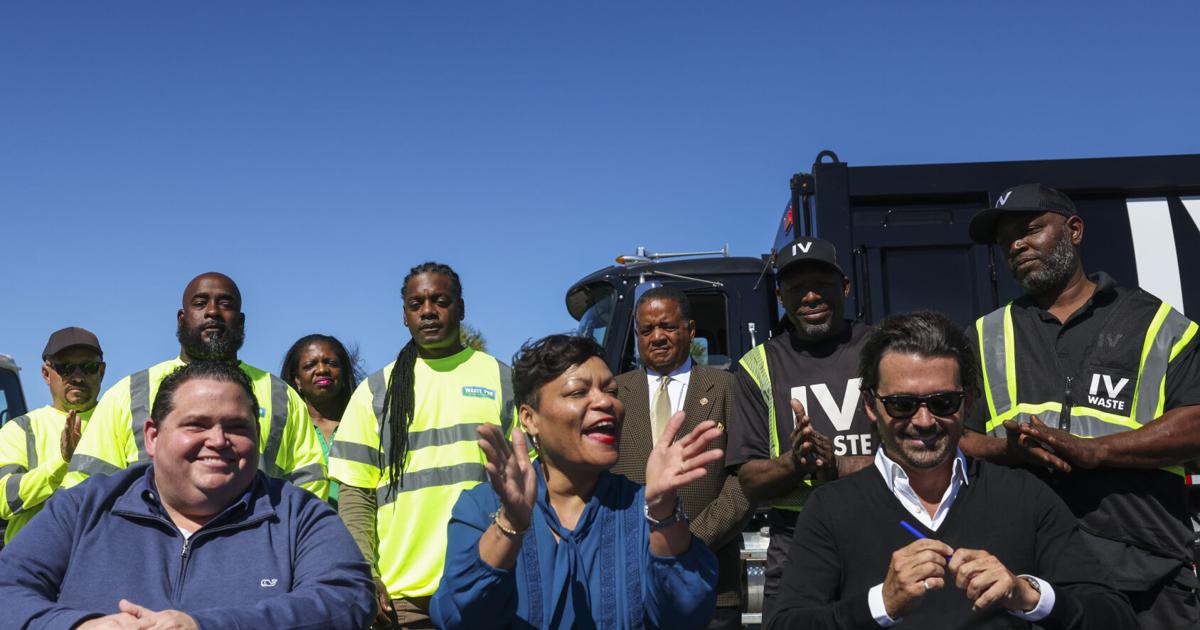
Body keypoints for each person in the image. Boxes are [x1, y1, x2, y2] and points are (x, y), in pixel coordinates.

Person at [765, 311, 1136, 629]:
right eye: (901, 405)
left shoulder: (1024, 496)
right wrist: (880, 604)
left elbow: (1115, 616)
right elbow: (788, 623)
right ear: (870, 407)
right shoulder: (832, 508)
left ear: (968, 401)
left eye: (943, 402)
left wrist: (1026, 594)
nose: (924, 421)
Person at [961, 184, 1200, 628]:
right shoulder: (984, 336)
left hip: (1148, 567)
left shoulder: (1156, 323)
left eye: (1030, 230)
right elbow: (955, 436)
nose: (1016, 246)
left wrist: (1099, 451)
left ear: (1073, 230)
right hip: (1031, 578)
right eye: (1005, 241)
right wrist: (1006, 452)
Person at [0, 361, 376, 629]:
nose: (217, 441)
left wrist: (205, 625)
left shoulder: (298, 515)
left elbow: (347, 599)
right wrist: (78, 625)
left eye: (236, 427)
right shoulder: (84, 507)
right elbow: (7, 586)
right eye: (196, 425)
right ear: (152, 436)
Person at [431, 334, 720, 628]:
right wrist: (510, 526)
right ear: (530, 419)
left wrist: (663, 513)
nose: (605, 402)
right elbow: (457, 617)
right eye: (578, 392)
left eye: (611, 391)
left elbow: (687, 614)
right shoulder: (480, 509)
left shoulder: (644, 509)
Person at [330, 261, 514, 629]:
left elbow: (530, 483)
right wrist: (366, 572)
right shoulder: (376, 391)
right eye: (417, 304)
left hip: (488, 580)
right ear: (404, 315)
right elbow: (356, 497)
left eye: (440, 301)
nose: (428, 311)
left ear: (460, 309)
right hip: (403, 598)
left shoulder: (501, 378)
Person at [64, 272, 328, 499]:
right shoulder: (128, 394)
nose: (213, 312)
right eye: (200, 303)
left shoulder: (281, 396)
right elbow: (85, 487)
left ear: (241, 321)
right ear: (181, 318)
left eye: (225, 303)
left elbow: (309, 483)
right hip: (147, 553)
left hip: (254, 551)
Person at [726, 236, 876, 597]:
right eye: (796, 288)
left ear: (845, 287)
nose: (809, 297)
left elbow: (918, 458)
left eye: (821, 285)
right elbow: (748, 480)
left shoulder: (885, 347)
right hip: (796, 544)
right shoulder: (757, 366)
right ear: (780, 296)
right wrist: (796, 463)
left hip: (880, 531)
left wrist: (837, 465)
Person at [611, 286, 751, 629]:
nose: (657, 337)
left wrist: (689, 539)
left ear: (690, 330)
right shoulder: (613, 393)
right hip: (630, 583)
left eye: (668, 327)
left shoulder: (727, 388)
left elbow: (745, 479)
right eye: (646, 330)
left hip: (711, 582)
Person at [0, 327, 105, 544]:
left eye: (89, 367)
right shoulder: (20, 429)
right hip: (33, 570)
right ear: (46, 374)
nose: (77, 376)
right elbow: (4, 500)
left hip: (101, 568)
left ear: (101, 371)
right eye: (66, 368)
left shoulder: (119, 420)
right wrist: (61, 462)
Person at [282, 333, 361, 508]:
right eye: (310, 365)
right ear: (297, 379)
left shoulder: (364, 422)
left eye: (331, 363)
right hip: (300, 529)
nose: (322, 369)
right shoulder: (284, 428)